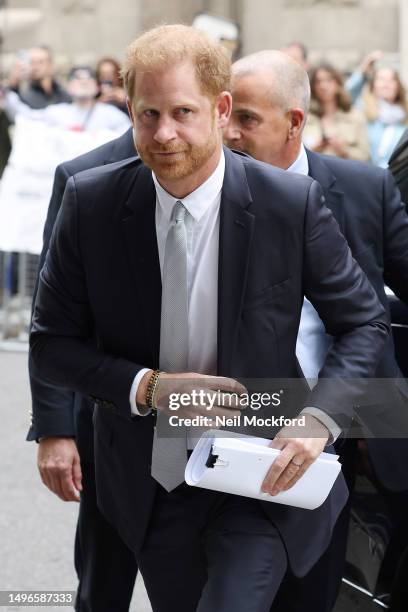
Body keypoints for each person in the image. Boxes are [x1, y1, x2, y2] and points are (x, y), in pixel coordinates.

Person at [30, 25, 389, 612]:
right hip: (154, 473)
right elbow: (51, 344)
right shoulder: (91, 202)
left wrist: (321, 418)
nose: (164, 133)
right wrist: (149, 389)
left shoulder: (287, 205)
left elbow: (363, 322)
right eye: (148, 114)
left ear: (221, 110)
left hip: (260, 467)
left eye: (182, 112)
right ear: (129, 109)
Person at [224, 49, 408, 612]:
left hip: (359, 423)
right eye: (223, 114)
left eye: (248, 119)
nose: (229, 132)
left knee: (328, 585)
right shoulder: (208, 196)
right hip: (244, 421)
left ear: (295, 122)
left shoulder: (365, 188)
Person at [28, 127, 138, 611]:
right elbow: (51, 317)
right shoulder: (82, 176)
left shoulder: (236, 172)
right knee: (104, 580)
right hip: (107, 415)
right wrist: (55, 430)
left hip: (201, 415)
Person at [2, 66, 131, 133]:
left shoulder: (112, 115)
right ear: (69, 87)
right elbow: (26, 117)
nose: (83, 81)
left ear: (97, 87)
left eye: (88, 78)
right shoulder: (57, 113)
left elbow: (131, 138)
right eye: (77, 78)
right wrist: (7, 93)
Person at [303, 63, 370, 162]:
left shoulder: (354, 116)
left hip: (346, 173)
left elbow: (365, 156)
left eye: (329, 80)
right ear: (313, 86)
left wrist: (344, 151)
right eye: (318, 81)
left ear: (338, 83)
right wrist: (314, 150)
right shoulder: (305, 118)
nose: (323, 85)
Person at [361, 66, 408, 168]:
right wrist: (361, 74)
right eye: (381, 79)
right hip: (367, 175)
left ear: (398, 86)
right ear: (372, 85)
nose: (386, 84)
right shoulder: (362, 112)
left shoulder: (405, 117)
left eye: (391, 80)